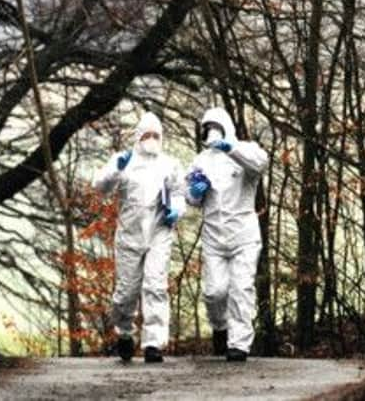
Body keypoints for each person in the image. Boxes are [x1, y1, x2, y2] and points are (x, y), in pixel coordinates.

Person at [92, 112, 186, 363]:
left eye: (156, 135)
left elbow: (179, 192)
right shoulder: (124, 161)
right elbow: (99, 188)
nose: (152, 139)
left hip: (159, 233)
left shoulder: (169, 164)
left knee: (156, 286)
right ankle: (124, 333)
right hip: (129, 237)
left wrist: (177, 210)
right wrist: (115, 171)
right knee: (126, 293)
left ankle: (153, 343)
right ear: (138, 136)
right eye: (147, 134)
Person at [185, 107, 268, 362]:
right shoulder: (201, 160)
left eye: (215, 126)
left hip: (243, 233)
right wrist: (196, 192)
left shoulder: (245, 151)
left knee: (241, 288)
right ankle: (220, 326)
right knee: (214, 292)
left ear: (225, 127)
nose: (211, 131)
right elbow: (189, 195)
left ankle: (239, 344)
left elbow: (260, 164)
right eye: (207, 127)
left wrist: (229, 147)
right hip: (214, 236)